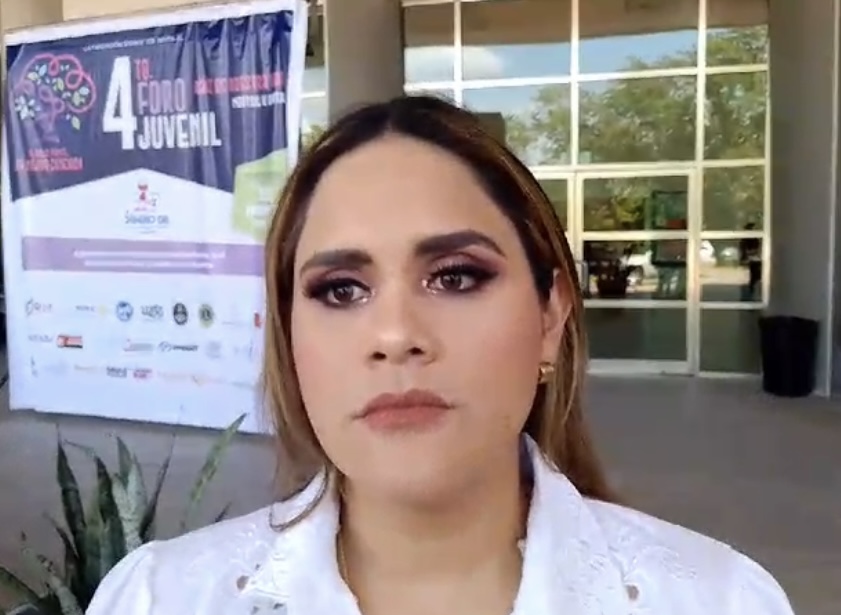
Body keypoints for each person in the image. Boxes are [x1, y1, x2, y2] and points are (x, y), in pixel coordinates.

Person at [85, 95, 795, 615]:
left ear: (550, 316)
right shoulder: (159, 598)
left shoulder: (719, 600)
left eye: (455, 277)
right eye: (340, 289)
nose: (395, 334)